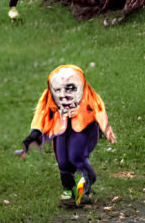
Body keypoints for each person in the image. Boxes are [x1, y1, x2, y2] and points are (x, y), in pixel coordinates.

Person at [16, 65, 117, 206]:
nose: (63, 94)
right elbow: (42, 113)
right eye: (58, 90)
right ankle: (68, 191)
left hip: (84, 127)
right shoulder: (49, 98)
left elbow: (98, 108)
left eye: (70, 88)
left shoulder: (87, 96)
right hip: (60, 128)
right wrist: (34, 134)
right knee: (63, 162)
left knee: (76, 156)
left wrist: (105, 127)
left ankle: (87, 184)